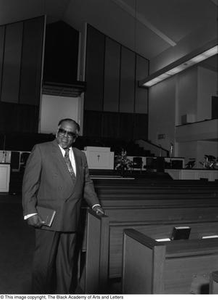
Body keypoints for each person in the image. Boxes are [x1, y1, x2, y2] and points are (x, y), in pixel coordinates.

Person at [22, 118, 105, 294]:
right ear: (57, 131)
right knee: (43, 265)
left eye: (71, 134)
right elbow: (30, 184)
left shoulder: (81, 155)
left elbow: (86, 184)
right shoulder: (41, 150)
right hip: (47, 217)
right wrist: (30, 212)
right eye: (62, 132)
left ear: (75, 138)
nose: (65, 137)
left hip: (71, 217)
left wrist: (95, 204)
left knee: (66, 265)